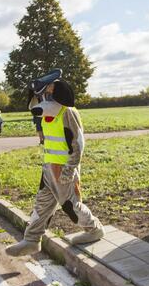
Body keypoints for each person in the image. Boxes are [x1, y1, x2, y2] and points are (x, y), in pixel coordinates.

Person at [6, 69, 104, 257]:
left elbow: (78, 143)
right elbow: (35, 108)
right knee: (41, 206)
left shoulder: (68, 111)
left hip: (64, 170)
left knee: (72, 206)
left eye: (48, 91)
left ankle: (94, 229)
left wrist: (69, 170)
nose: (45, 95)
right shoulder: (46, 112)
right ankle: (32, 240)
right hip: (49, 169)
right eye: (43, 93)